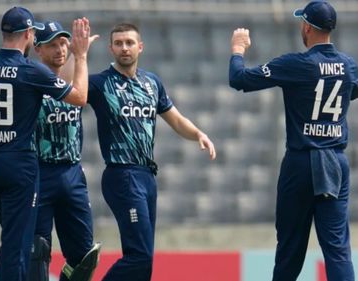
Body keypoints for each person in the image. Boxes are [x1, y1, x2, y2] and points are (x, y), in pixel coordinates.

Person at [229, 1, 358, 280]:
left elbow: (239, 79)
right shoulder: (349, 66)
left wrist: (238, 50)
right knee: (337, 251)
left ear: (307, 27)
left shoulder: (296, 64)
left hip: (301, 162)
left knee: (289, 250)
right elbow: (351, 90)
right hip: (335, 163)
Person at [0, 7, 91, 281]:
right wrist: (80, 56)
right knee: (17, 244)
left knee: (13, 232)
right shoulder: (30, 70)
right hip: (19, 164)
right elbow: (80, 97)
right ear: (29, 35)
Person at [88, 23, 216, 281]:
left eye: (130, 42)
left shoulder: (151, 82)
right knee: (140, 257)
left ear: (140, 47)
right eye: (119, 43)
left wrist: (198, 134)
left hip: (146, 177)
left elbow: (176, 119)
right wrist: (78, 56)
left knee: (144, 264)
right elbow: (70, 89)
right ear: (111, 48)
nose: (124, 48)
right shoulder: (100, 83)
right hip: (122, 174)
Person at [29, 21, 101, 281]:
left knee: (85, 256)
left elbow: (72, 86)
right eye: (52, 45)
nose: (60, 49)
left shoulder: (68, 83)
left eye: (63, 43)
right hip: (40, 172)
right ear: (38, 49)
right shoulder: (31, 80)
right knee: (37, 250)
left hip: (71, 172)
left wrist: (79, 54)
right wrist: (78, 56)